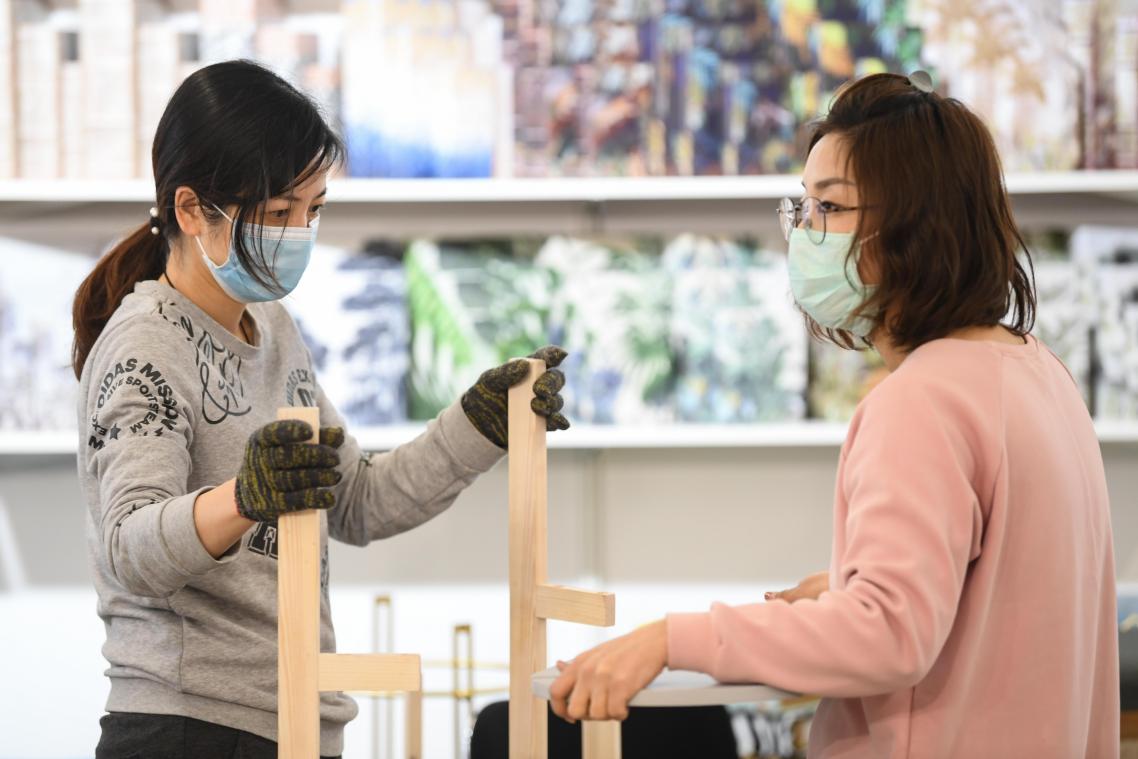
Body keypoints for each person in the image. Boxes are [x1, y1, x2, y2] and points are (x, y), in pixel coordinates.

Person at [549, 72, 1119, 758]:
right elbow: (1010, 590)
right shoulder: (1038, 373)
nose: (806, 233)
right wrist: (851, 584)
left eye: (830, 207)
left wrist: (674, 637)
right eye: (804, 206)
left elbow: (887, 636)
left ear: (917, 220)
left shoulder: (921, 400)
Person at [73, 59, 570, 759]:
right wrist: (243, 498)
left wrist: (480, 421)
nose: (300, 231)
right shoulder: (145, 345)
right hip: (192, 730)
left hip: (296, 721)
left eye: (313, 210)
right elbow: (130, 547)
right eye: (279, 213)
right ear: (191, 210)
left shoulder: (270, 326)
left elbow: (358, 498)